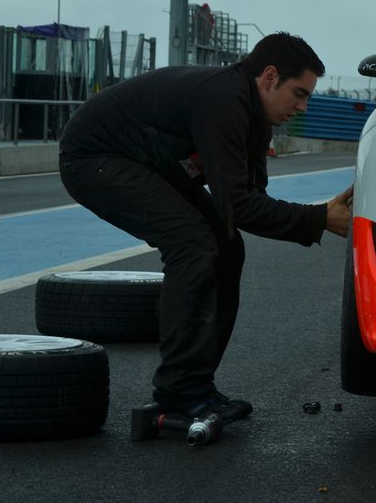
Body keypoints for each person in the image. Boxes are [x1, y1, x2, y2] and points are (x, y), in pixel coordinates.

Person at [58, 32, 353, 419]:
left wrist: (317, 217)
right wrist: (318, 219)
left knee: (227, 246)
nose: (302, 107)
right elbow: (238, 206)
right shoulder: (222, 98)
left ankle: (197, 385)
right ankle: (179, 389)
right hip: (95, 157)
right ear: (269, 77)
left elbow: (249, 202)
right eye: (299, 93)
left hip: (152, 165)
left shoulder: (256, 119)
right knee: (192, 243)